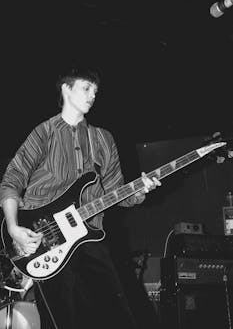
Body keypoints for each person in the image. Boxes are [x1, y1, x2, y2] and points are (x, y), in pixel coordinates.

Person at [0, 67, 161, 329]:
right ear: (66, 88)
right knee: (62, 321)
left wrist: (139, 191)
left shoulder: (103, 138)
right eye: (86, 88)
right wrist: (12, 226)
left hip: (90, 237)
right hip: (45, 240)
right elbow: (12, 179)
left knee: (119, 317)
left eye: (96, 91)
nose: (92, 95)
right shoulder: (44, 133)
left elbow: (115, 192)